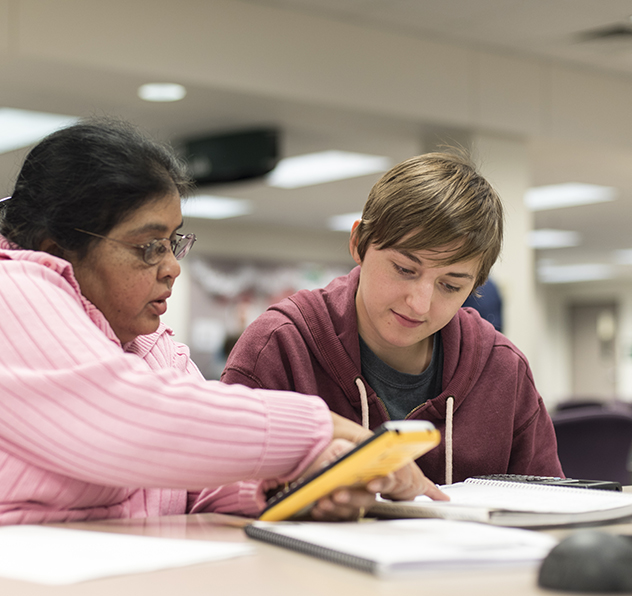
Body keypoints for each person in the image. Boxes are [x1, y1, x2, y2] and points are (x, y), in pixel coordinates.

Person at [0, 120, 438, 535]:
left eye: (174, 242)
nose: (172, 270)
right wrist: (320, 428)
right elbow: (125, 424)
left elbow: (191, 475)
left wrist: (297, 484)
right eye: (146, 248)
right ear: (54, 244)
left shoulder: (147, 345)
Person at [222, 152, 563, 485]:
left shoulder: (502, 368)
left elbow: (551, 508)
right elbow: (215, 499)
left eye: (450, 285)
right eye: (404, 269)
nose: (419, 304)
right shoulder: (279, 346)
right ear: (358, 243)